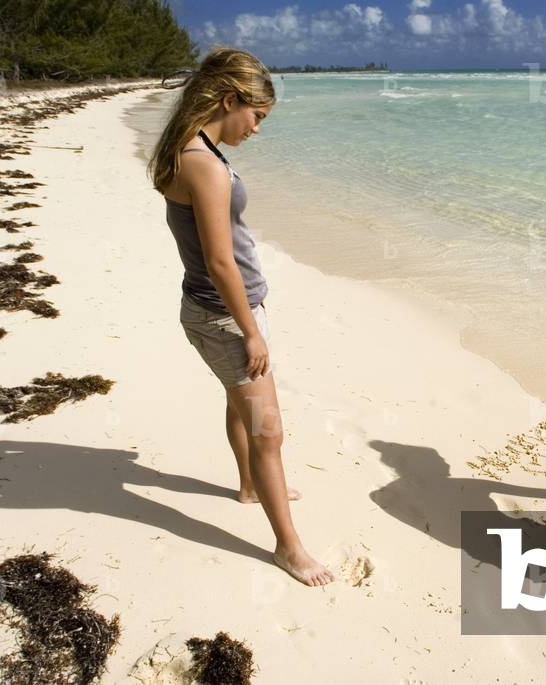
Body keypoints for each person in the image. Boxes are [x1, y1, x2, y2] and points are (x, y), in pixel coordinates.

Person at [147, 47, 333, 586]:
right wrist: (251, 331)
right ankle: (288, 547)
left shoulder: (192, 148)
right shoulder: (201, 162)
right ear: (230, 99)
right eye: (257, 117)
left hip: (224, 310)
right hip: (226, 315)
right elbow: (219, 260)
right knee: (268, 431)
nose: (256, 129)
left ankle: (250, 486)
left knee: (240, 404)